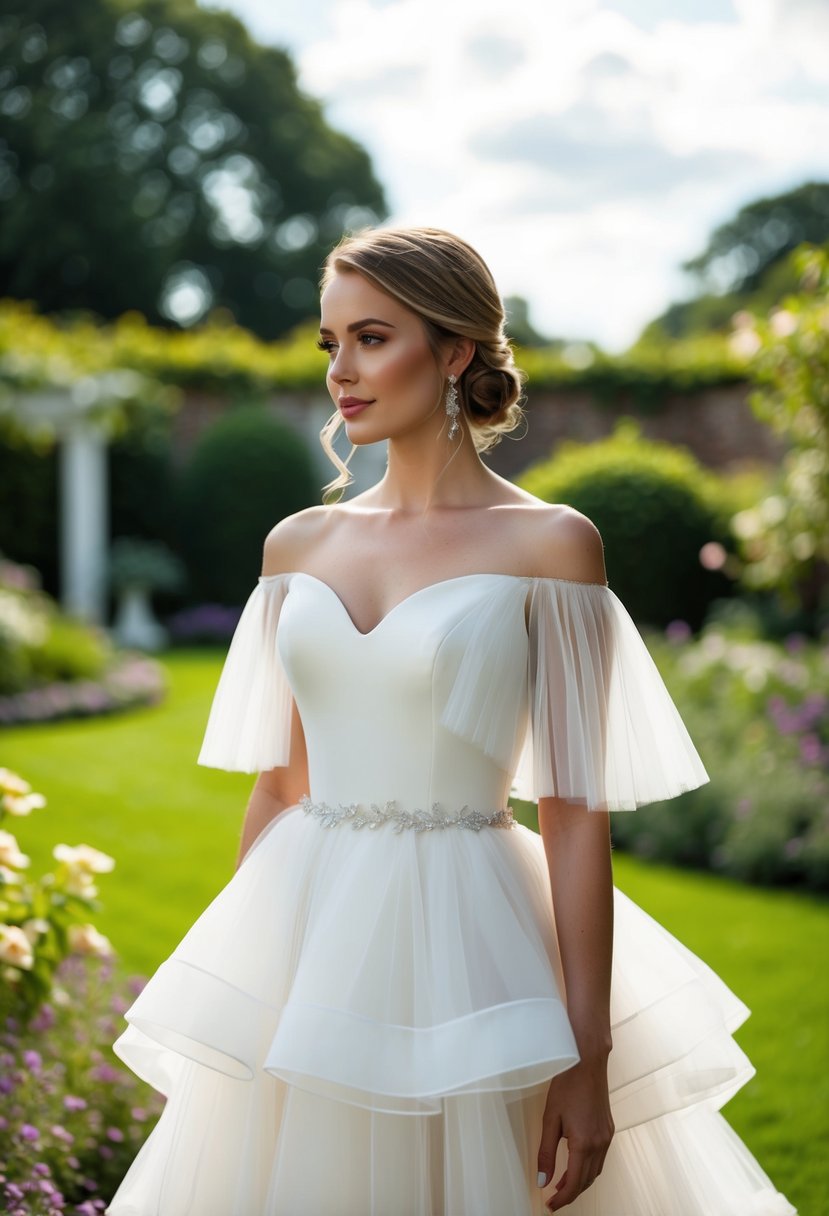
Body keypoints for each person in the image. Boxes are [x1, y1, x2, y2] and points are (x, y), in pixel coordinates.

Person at [106, 227, 796, 1215]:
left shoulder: (553, 546)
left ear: (457, 351)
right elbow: (279, 784)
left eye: (372, 337)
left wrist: (586, 1054)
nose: (341, 370)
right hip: (310, 948)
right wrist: (243, 979)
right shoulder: (295, 545)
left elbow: (572, 811)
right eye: (329, 342)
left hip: (476, 945)